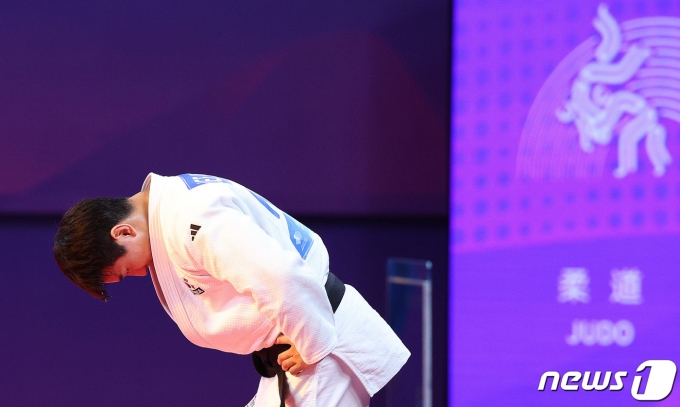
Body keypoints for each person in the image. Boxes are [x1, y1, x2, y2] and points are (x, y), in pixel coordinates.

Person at [53, 173, 409, 407]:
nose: (139, 274)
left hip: (315, 344)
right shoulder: (173, 208)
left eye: (125, 270)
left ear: (123, 232)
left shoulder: (191, 220)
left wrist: (313, 345)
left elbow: (279, 275)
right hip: (298, 345)